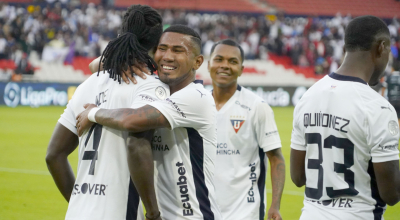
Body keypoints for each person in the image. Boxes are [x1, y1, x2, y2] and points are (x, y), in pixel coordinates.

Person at [76, 25, 223, 220]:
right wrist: (125, 60)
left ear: (197, 62)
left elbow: (132, 120)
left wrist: (93, 112)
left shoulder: (196, 97)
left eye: (178, 50)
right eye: (162, 48)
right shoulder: (157, 91)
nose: (167, 56)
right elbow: (95, 65)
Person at [46, 5, 166, 220]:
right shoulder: (151, 88)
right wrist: (154, 214)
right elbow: (137, 146)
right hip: (121, 213)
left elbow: (54, 155)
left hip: (78, 213)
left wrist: (79, 201)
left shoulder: (89, 83)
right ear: (157, 44)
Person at [290, 15, 400, 220]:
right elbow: (391, 194)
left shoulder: (308, 97)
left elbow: (297, 177)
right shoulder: (377, 107)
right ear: (381, 48)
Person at [208, 39, 285, 220]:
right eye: (219, 59)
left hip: (245, 213)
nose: (225, 66)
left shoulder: (257, 107)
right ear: (208, 64)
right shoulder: (198, 105)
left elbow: (276, 158)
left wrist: (275, 206)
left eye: (232, 61)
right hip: (204, 210)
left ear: (242, 69)